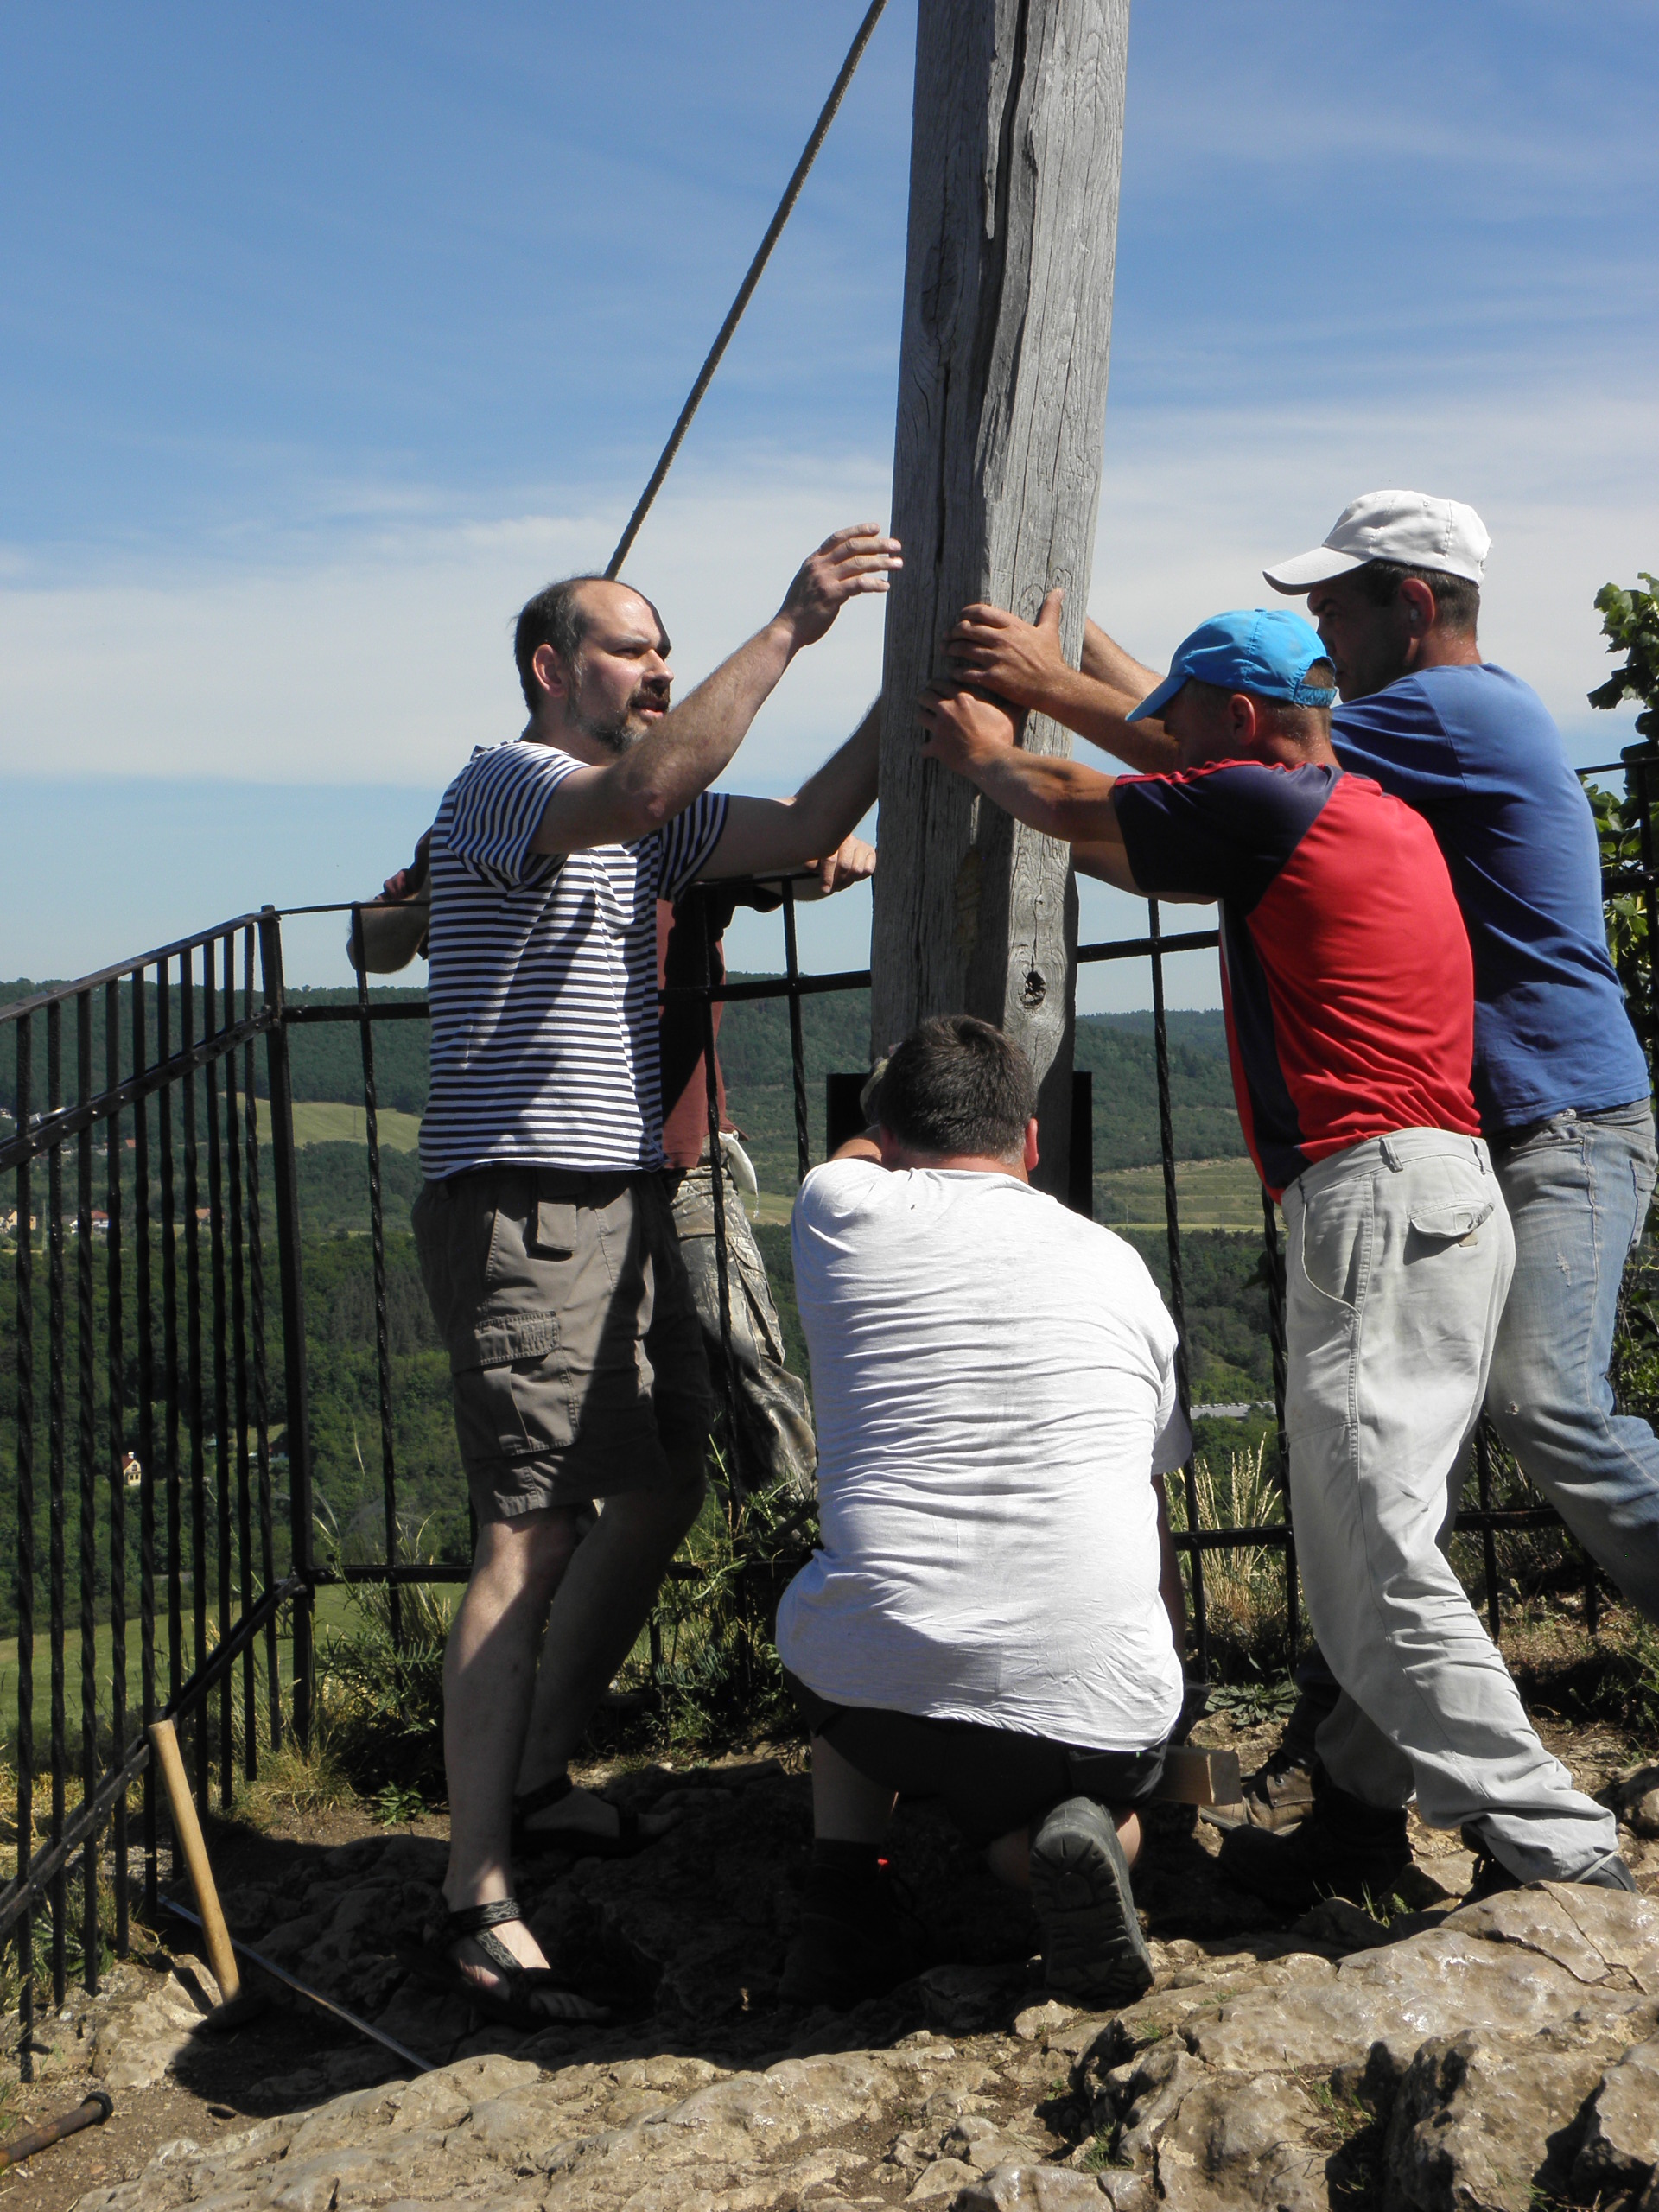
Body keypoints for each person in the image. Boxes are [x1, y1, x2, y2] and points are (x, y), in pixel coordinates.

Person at [947, 490, 1659, 1879]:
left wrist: (1018, 704)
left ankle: (1544, 1845)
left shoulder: (1440, 725)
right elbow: (1206, 728)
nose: (1324, 631)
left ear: (1413, 603)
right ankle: (1350, 1813)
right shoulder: (1356, 786)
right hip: (1467, 1146)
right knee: (1381, 1509)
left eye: (1340, 604)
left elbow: (1167, 757)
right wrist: (1069, 613)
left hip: (1534, 1128)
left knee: (1520, 1425)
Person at [407, 523, 902, 2029]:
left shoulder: (654, 832)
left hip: (622, 1195)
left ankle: (538, 1777)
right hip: (526, 1200)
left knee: (670, 1475)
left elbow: (812, 811)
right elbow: (642, 784)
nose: (660, 670)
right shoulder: (507, 780)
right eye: (633, 650)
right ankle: (472, 1892)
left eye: (667, 655)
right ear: (553, 668)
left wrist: (926, 664)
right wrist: (797, 626)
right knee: (527, 1537)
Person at [775, 1014, 1189, 2011]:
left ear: (887, 1134)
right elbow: (1150, 1491)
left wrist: (883, 1116)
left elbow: (856, 1156)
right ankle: (1084, 1842)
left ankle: (845, 1895)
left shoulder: (838, 1211)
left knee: (840, 1590)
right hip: (1091, 1694)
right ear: (1033, 1142)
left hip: (881, 1696)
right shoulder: (1119, 1265)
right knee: (1067, 1795)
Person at [655, 836, 875, 1503]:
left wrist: (821, 849)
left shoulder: (676, 828)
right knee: (604, 1408)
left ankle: (784, 1567)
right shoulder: (508, 823)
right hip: (566, 1176)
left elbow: (798, 869)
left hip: (680, 1164)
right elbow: (381, 935)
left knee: (751, 1382)